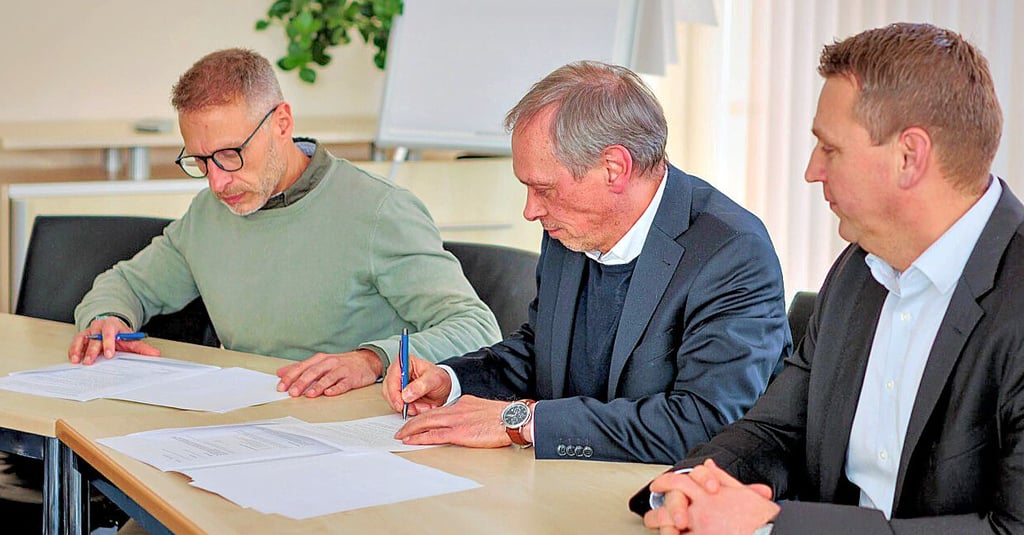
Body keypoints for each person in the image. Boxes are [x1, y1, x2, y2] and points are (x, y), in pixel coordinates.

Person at [633, 22, 1024, 534]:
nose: (812, 170)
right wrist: (687, 489)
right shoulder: (858, 268)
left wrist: (775, 526)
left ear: (910, 157)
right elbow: (775, 432)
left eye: (830, 148)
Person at [381, 61, 790, 465]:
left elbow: (704, 423)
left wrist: (522, 422)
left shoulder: (731, 253)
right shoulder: (570, 226)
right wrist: (451, 381)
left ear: (614, 168)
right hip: (563, 484)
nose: (530, 210)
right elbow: (539, 352)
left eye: (542, 188)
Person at [65, 48, 501, 398]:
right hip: (246, 428)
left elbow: (477, 329)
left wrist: (371, 360)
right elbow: (128, 284)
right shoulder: (209, 215)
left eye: (231, 155)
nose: (217, 182)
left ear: (282, 123)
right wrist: (107, 319)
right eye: (200, 161)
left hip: (356, 441)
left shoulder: (380, 212)